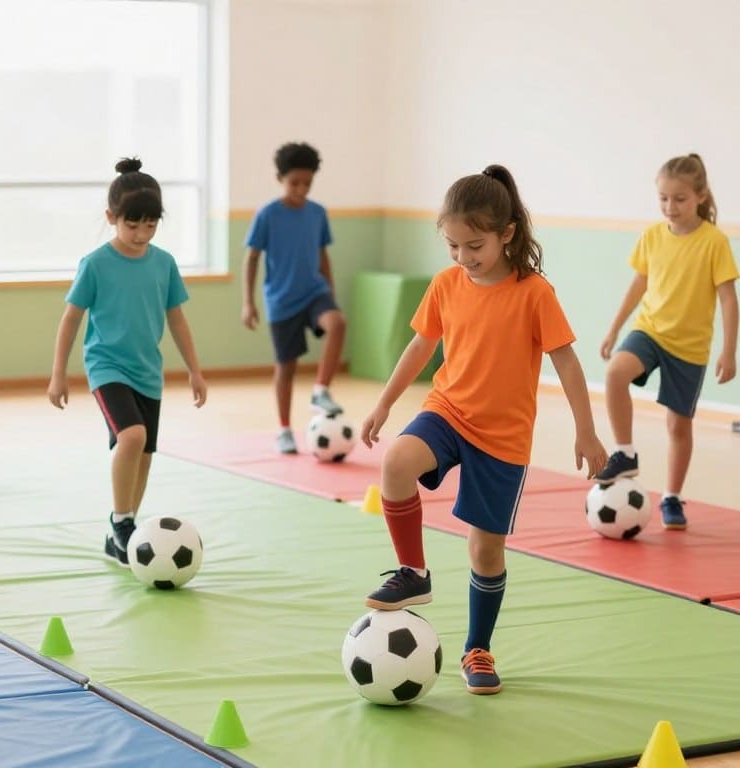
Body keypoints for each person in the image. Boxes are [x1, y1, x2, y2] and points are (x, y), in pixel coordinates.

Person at [358, 165, 607, 695]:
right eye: (452, 245)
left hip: (503, 437)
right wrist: (383, 404)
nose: (463, 257)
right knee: (396, 462)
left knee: (484, 552)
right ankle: (414, 573)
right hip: (448, 410)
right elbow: (421, 346)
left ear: (507, 234)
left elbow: (566, 363)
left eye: (474, 245)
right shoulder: (447, 285)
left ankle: (478, 648)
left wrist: (586, 432)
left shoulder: (534, 293)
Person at [47, 158, 207, 566]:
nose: (141, 234)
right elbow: (71, 319)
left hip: (147, 370)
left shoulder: (164, 263)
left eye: (150, 225)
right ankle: (120, 521)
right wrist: (58, 374)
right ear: (111, 218)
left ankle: (125, 527)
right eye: (132, 225)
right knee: (131, 437)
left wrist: (194, 369)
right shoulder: (96, 263)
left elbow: (177, 319)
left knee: (146, 452)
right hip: (106, 366)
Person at [596, 154, 738, 530]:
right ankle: (625, 453)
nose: (669, 207)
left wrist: (729, 350)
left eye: (679, 199)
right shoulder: (652, 236)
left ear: (701, 196)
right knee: (615, 373)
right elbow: (638, 285)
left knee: (678, 427)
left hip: (688, 347)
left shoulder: (714, 242)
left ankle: (672, 498)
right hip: (650, 330)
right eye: (663, 198)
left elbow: (728, 298)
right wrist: (614, 329)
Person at [242, 142, 347, 455]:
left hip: (314, 292)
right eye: (294, 183)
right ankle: (285, 429)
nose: (301, 189)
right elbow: (251, 259)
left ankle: (321, 390)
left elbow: (322, 255)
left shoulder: (318, 214)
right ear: (280, 179)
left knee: (337, 323)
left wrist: (330, 290)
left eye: (307, 183)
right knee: (286, 367)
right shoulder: (268, 215)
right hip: (281, 300)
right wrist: (248, 302)